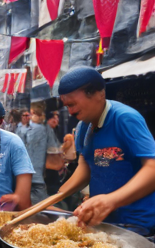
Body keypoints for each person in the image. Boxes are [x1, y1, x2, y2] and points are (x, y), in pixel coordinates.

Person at [58, 66, 155, 231]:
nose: (70, 111)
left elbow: (152, 168)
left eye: (73, 104)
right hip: (103, 221)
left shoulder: (125, 118)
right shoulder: (83, 126)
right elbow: (86, 166)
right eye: (67, 106)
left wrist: (111, 200)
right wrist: (57, 196)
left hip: (136, 224)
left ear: (99, 94)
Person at [19, 103, 49, 204]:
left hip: (27, 175)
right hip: (36, 177)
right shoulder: (38, 129)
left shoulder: (23, 128)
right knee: (39, 209)